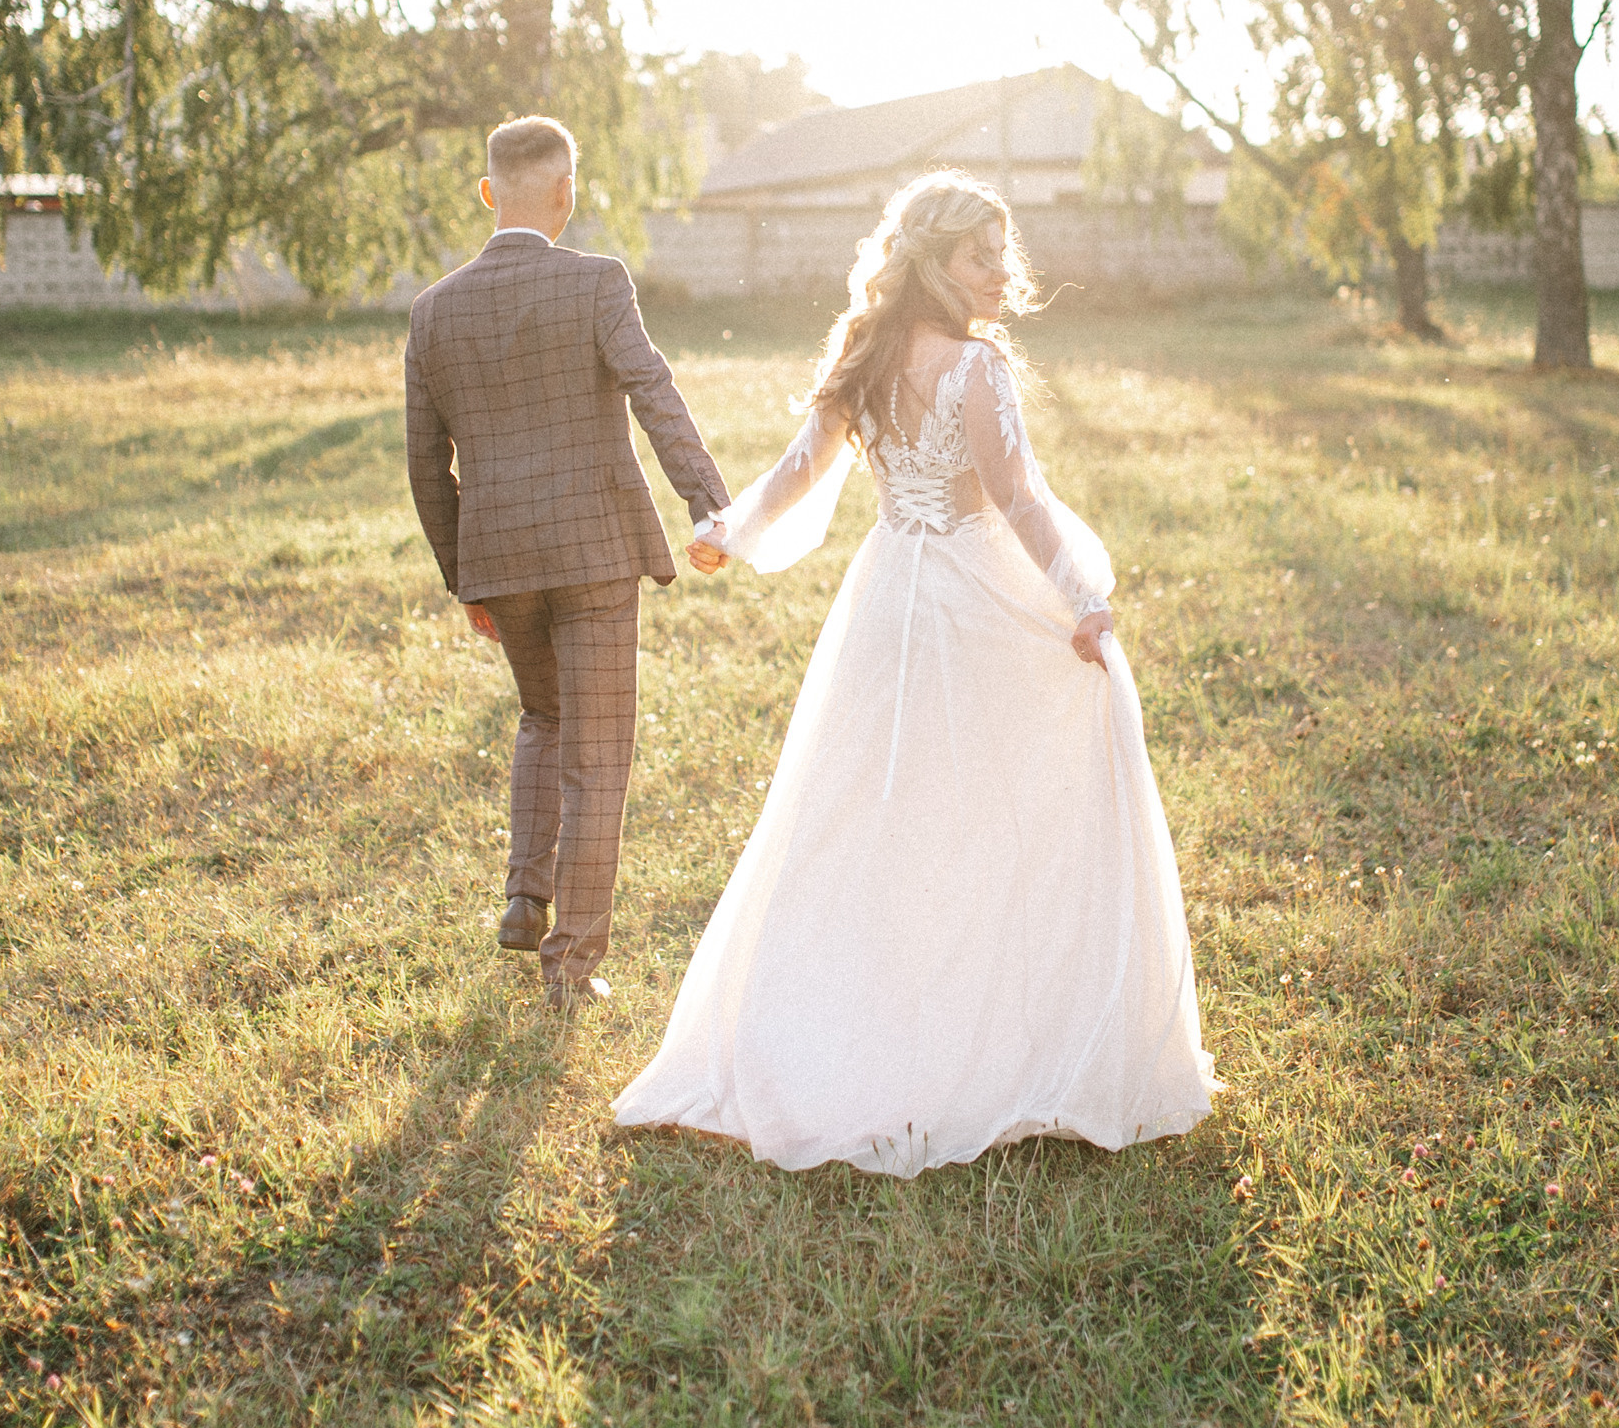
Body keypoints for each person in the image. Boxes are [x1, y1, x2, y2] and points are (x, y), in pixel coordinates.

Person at [614, 171, 1216, 1173]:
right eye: (982, 255)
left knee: (885, 807)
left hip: (889, 595)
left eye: (1003, 253)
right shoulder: (977, 372)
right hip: (970, 599)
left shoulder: (867, 353)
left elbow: (802, 469)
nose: (1000, 272)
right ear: (934, 261)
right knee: (977, 808)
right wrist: (1083, 596)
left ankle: (901, 1019)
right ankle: (960, 1040)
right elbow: (1018, 499)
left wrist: (736, 526)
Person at [404, 115, 731, 998]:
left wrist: (461, 575)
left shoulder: (434, 310)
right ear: (566, 192)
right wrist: (708, 501)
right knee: (599, 755)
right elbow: (651, 389)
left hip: (499, 558)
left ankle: (524, 896)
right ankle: (571, 960)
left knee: (542, 720)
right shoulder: (595, 282)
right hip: (592, 554)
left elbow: (424, 464)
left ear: (487, 193)